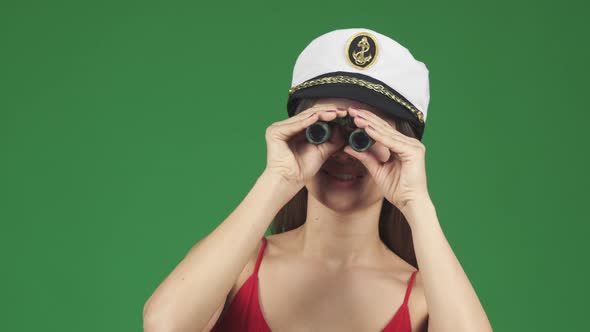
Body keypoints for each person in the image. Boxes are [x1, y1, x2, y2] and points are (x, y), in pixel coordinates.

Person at [142, 28, 493, 332]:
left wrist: (416, 201)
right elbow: (164, 325)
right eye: (323, 131)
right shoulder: (238, 268)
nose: (342, 152)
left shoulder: (424, 301)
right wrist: (278, 177)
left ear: (402, 148)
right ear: (299, 130)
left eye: (367, 134)